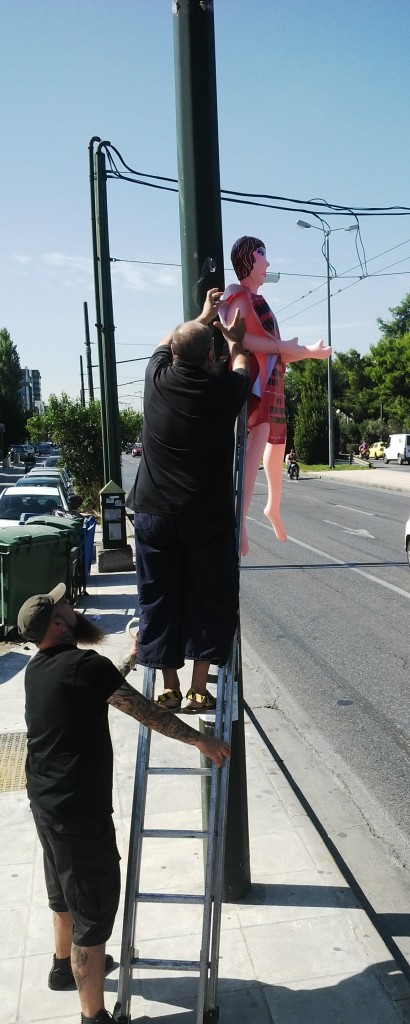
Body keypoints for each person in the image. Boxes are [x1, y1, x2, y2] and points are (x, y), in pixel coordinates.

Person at [18, 584, 230, 1024]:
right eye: (65, 607)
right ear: (58, 625)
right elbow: (143, 710)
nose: (72, 608)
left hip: (45, 799)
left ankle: (62, 968)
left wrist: (133, 655)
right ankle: (93, 1016)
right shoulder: (82, 665)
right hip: (78, 810)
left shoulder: (40, 667)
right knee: (92, 914)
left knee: (63, 891)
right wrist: (200, 740)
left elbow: (101, 685)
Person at [127, 289, 249, 712]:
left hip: (154, 514)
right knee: (209, 597)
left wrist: (200, 316)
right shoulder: (221, 393)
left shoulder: (156, 379)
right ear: (208, 358)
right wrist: (234, 342)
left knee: (159, 597)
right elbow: (241, 367)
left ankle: (168, 685)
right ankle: (200, 687)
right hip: (205, 516)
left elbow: (166, 343)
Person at [219, 236, 331, 554]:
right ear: (248, 260)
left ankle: (272, 507)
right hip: (254, 383)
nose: (267, 263)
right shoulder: (237, 295)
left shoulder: (258, 300)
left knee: (276, 448)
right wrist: (286, 347)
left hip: (272, 381)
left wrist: (308, 352)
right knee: (254, 450)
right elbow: (243, 341)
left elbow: (277, 351)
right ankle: (238, 523)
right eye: (262, 256)